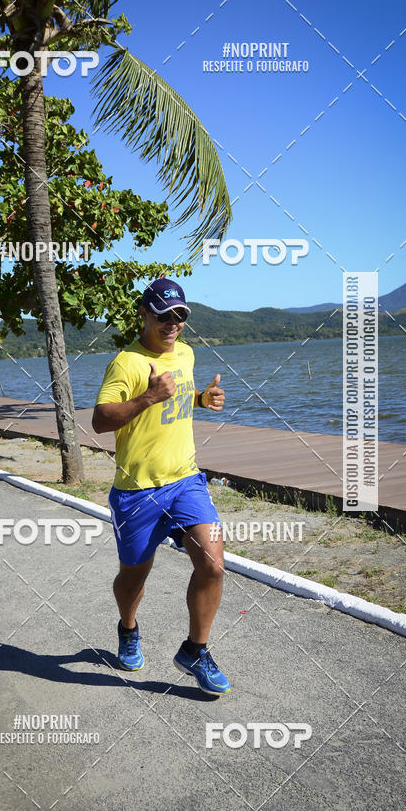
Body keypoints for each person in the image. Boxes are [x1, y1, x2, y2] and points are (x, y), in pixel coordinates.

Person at [92, 278, 230, 696]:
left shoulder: (185, 354)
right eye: (164, 315)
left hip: (186, 481)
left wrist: (200, 400)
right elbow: (100, 421)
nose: (173, 324)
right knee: (133, 578)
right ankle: (128, 628)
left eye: (180, 316)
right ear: (144, 314)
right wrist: (147, 398)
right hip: (137, 491)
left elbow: (177, 398)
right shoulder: (126, 363)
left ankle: (195, 650)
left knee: (213, 562)